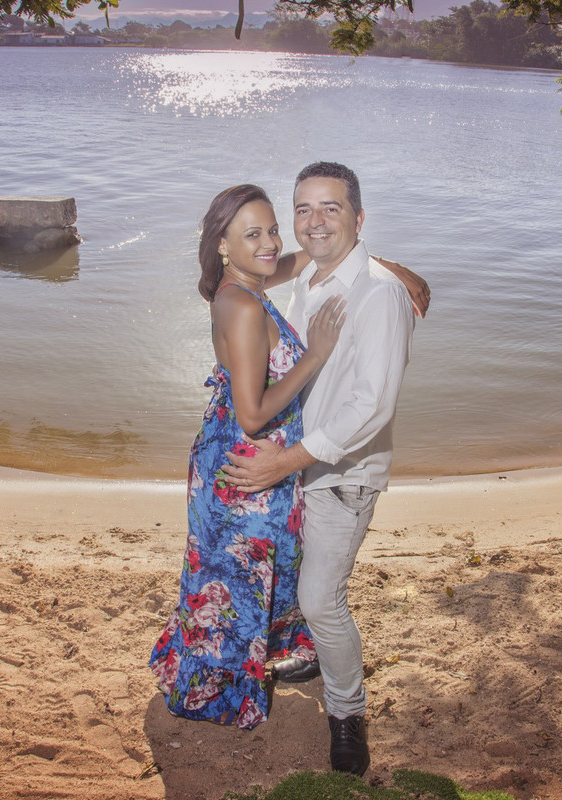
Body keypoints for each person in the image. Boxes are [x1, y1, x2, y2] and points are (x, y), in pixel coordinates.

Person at [223, 162, 419, 775]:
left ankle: (347, 712)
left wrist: (286, 460)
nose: (313, 222)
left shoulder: (379, 295)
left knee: (321, 598)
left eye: (330, 208)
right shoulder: (311, 274)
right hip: (299, 463)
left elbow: (372, 405)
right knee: (300, 579)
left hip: (341, 471)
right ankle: (314, 655)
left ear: (358, 217)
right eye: (303, 210)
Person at [148, 184, 347, 729]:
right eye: (252, 234)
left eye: (271, 229)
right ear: (221, 245)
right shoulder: (240, 306)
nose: (269, 243)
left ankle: (242, 663)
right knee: (238, 582)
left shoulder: (246, 283)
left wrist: (383, 267)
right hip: (245, 468)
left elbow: (303, 255)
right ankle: (217, 690)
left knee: (243, 575)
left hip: (236, 459)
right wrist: (316, 356)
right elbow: (254, 413)